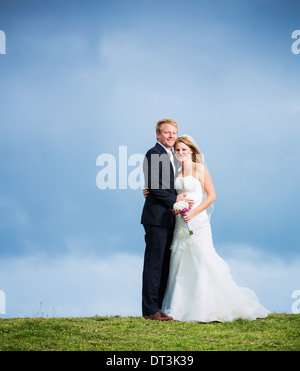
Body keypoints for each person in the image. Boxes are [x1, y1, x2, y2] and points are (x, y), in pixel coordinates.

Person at [161, 136, 270, 322]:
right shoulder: (177, 171)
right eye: (177, 150)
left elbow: (212, 196)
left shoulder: (199, 169)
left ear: (192, 151)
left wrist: (193, 213)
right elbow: (171, 194)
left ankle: (207, 308)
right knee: (181, 260)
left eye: (184, 150)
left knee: (202, 259)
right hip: (180, 221)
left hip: (197, 220)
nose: (180, 153)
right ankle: (180, 308)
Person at [141, 119, 193, 321]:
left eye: (174, 133)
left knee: (164, 266)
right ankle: (149, 310)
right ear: (158, 135)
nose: (171, 136)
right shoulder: (153, 153)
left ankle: (158, 308)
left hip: (170, 219)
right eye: (167, 132)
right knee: (154, 265)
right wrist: (175, 200)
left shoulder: (174, 156)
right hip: (156, 219)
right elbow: (154, 186)